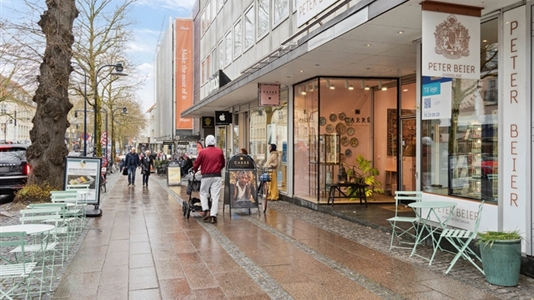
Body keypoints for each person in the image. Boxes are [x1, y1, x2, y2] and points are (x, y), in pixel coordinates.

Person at [192, 135, 225, 224]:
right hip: (217, 176)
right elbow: (223, 163)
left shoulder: (203, 152)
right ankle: (213, 215)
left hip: (206, 176)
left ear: (206, 142)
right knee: (215, 196)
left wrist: (194, 170)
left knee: (203, 192)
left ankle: (206, 209)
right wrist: (218, 168)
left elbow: (197, 163)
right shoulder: (219, 151)